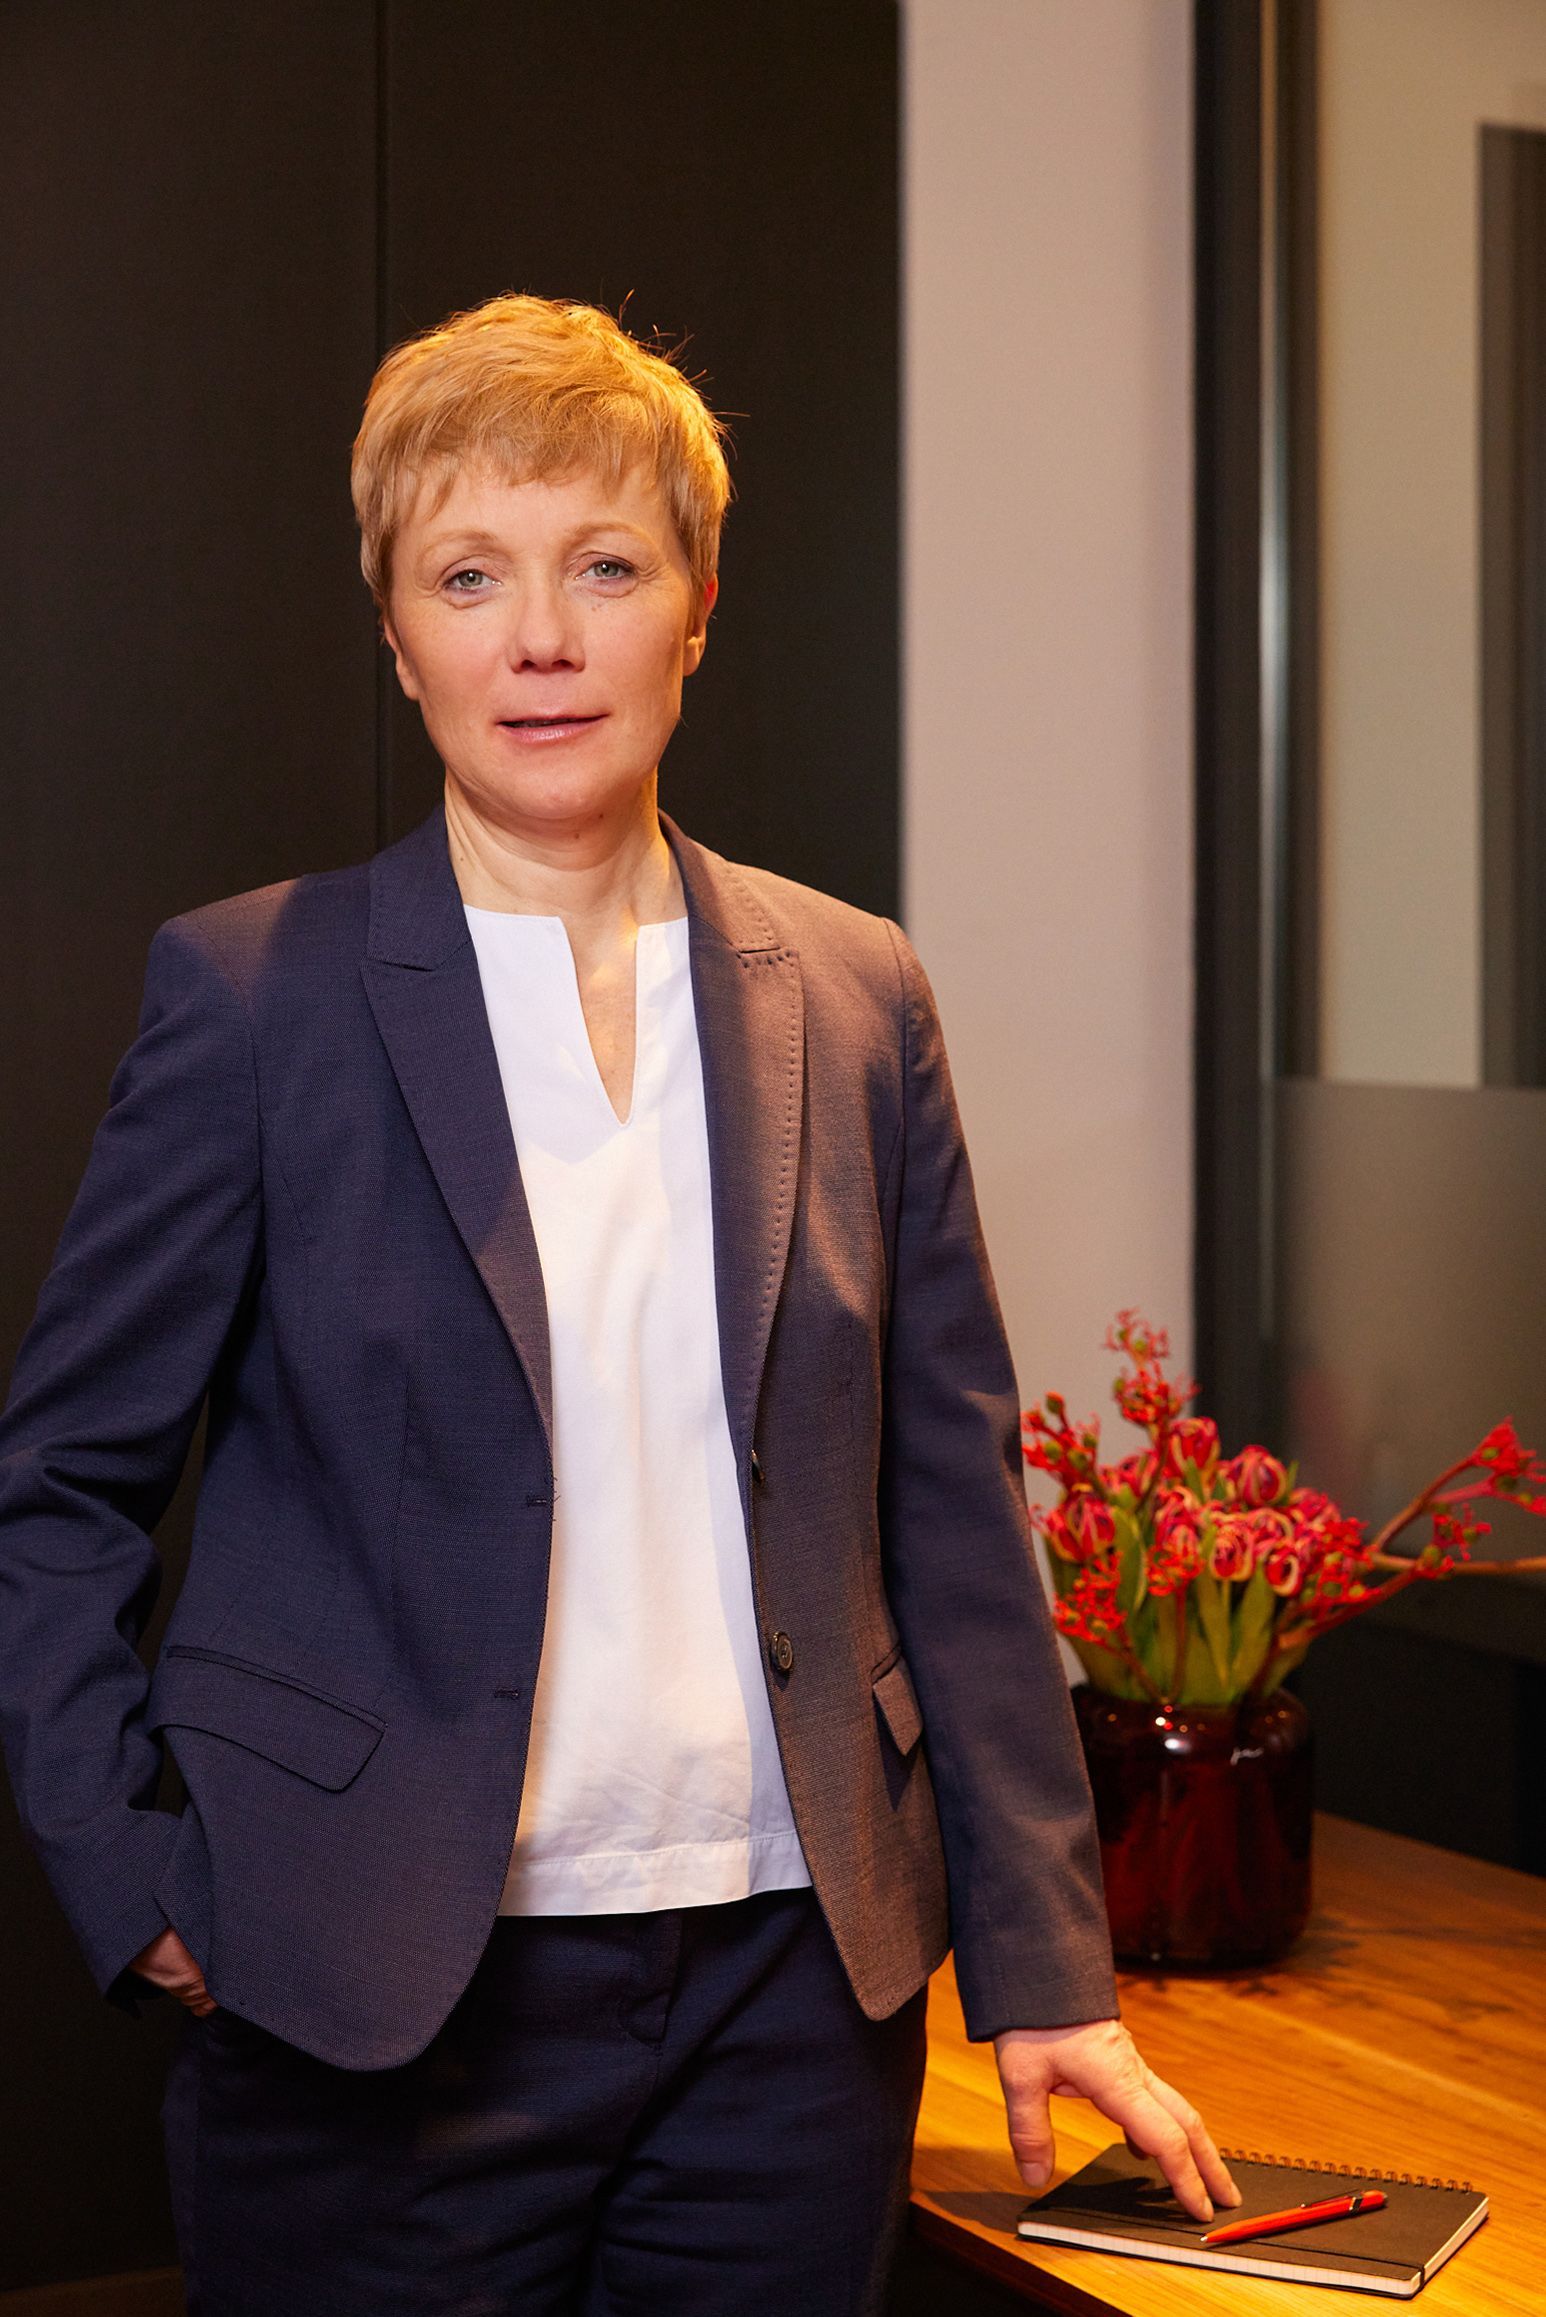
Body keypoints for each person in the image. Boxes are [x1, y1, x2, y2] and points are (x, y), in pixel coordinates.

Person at [0, 294, 1236, 2313]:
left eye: (603, 566)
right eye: (469, 576)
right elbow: (52, 1494)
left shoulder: (852, 994)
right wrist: (137, 1882)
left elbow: (946, 1506)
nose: (541, 636)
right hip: (364, 1998)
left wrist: (1042, 1970)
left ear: (696, 607)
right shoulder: (250, 999)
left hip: (786, 2004)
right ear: (399, 636)